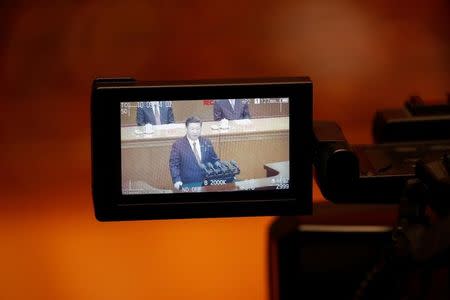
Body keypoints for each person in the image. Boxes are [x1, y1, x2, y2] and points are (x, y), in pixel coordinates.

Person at [169, 116, 220, 189]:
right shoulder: (178, 145)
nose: (195, 132)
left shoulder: (206, 141)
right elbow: (174, 165)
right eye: (192, 129)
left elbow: (214, 159)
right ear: (186, 128)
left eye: (197, 129)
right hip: (188, 184)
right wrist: (177, 180)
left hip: (207, 182)